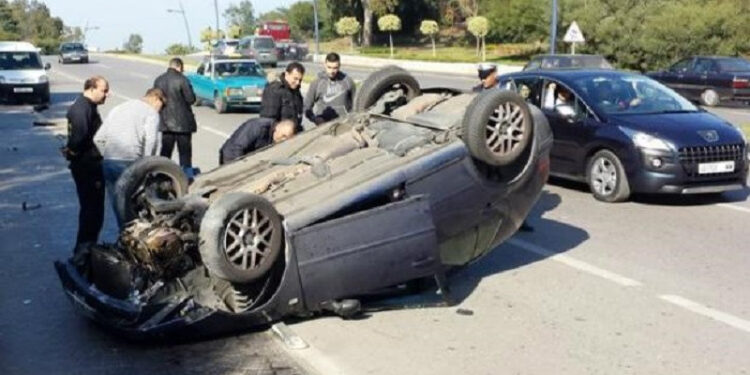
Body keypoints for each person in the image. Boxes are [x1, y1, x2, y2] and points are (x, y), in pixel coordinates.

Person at [94, 88, 165, 227]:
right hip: (130, 163)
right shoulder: (151, 113)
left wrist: (107, 154)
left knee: (118, 205)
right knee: (135, 204)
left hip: (109, 163)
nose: (160, 111)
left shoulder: (118, 108)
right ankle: (135, 238)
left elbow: (98, 138)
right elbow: (152, 141)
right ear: (156, 99)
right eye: (161, 107)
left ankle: (123, 236)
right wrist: (147, 165)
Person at [62, 76, 109, 258]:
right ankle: (84, 251)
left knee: (93, 209)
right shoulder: (83, 108)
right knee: (92, 210)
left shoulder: (88, 106)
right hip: (87, 166)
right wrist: (72, 152)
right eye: (104, 90)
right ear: (91, 89)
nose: (107, 94)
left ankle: (87, 247)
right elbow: (79, 136)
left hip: (88, 164)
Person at [153, 57, 198, 178]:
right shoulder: (183, 80)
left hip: (165, 122)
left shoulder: (159, 80)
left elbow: (155, 98)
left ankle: (161, 176)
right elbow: (191, 99)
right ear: (179, 66)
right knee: (184, 153)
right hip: (183, 124)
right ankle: (186, 177)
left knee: (166, 152)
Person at [304, 52, 356, 125]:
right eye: (329, 67)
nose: (332, 71)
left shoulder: (348, 81)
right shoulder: (317, 83)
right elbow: (306, 107)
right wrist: (314, 118)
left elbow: (356, 105)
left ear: (339, 66)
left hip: (344, 126)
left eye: (335, 68)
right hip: (323, 127)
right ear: (325, 65)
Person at [219, 118, 296, 165]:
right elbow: (237, 148)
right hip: (230, 156)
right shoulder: (258, 127)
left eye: (286, 138)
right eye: (283, 136)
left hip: (247, 158)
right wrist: (238, 167)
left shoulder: (275, 136)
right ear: (277, 129)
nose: (283, 140)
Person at [259, 61, 305, 133]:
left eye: (300, 80)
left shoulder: (296, 91)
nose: (298, 82)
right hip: (278, 137)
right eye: (295, 79)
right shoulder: (274, 90)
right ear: (287, 74)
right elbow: (267, 121)